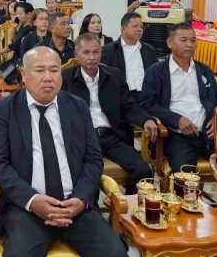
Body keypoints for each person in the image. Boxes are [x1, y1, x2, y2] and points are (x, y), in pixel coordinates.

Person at [0, 46, 128, 257]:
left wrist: (82, 198)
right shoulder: (7, 110)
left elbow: (93, 159)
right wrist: (32, 200)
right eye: (39, 71)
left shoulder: (76, 106)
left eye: (54, 70)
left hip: (74, 204)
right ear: (23, 75)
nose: (48, 77)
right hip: (28, 207)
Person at [62, 33, 157, 193]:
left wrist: (146, 119)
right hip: (83, 138)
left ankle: (126, 206)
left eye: (96, 52)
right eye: (86, 52)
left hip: (112, 136)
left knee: (143, 170)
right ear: (76, 55)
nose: (92, 57)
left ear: (101, 53)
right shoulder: (65, 78)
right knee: (86, 173)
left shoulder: (114, 75)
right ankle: (89, 206)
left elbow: (129, 105)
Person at [141, 23, 217, 173]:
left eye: (193, 40)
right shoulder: (156, 71)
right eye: (184, 40)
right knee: (186, 174)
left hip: (208, 133)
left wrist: (215, 118)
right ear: (169, 43)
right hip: (177, 136)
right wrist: (176, 119)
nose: (189, 45)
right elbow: (148, 104)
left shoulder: (204, 70)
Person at [101, 12, 158, 102]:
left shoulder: (149, 50)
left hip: (146, 96)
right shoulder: (108, 50)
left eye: (141, 27)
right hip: (122, 97)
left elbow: (155, 74)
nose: (139, 29)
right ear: (123, 29)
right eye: (135, 26)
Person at [0, 2, 34, 83]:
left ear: (29, 14)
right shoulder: (22, 25)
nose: (17, 16)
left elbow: (14, 45)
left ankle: (6, 90)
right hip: (15, 58)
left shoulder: (29, 29)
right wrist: (14, 28)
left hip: (20, 61)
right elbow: (14, 40)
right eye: (17, 14)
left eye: (20, 14)